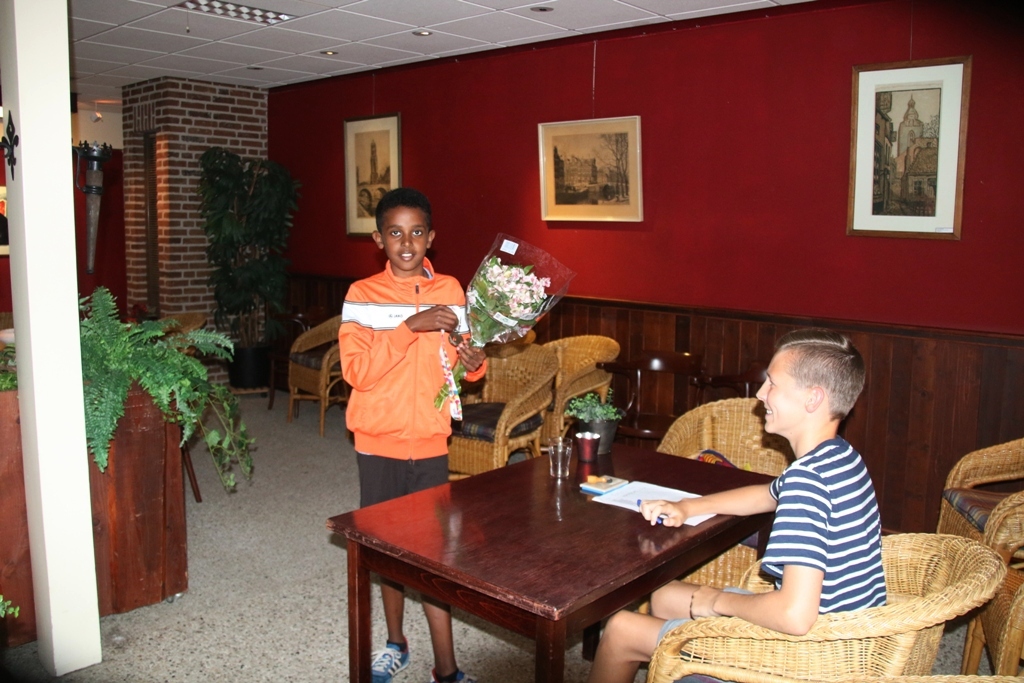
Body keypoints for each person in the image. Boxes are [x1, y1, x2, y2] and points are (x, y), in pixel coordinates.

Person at [586, 328, 886, 683]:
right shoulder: (840, 458)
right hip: (847, 642)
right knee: (665, 596)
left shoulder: (809, 482)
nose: (761, 394)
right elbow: (766, 494)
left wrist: (717, 601)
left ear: (812, 398)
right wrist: (688, 506)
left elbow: (794, 615)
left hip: (809, 659)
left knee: (620, 629)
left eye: (773, 383)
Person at [339, 187, 486, 683]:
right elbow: (357, 372)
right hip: (377, 442)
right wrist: (409, 326)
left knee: (433, 554)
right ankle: (395, 643)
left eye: (417, 232)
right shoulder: (362, 295)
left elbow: (462, 365)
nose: (407, 243)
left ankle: (446, 667)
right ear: (379, 240)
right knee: (386, 549)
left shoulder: (451, 289)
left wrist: (475, 362)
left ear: (431, 237)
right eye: (396, 233)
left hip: (429, 441)